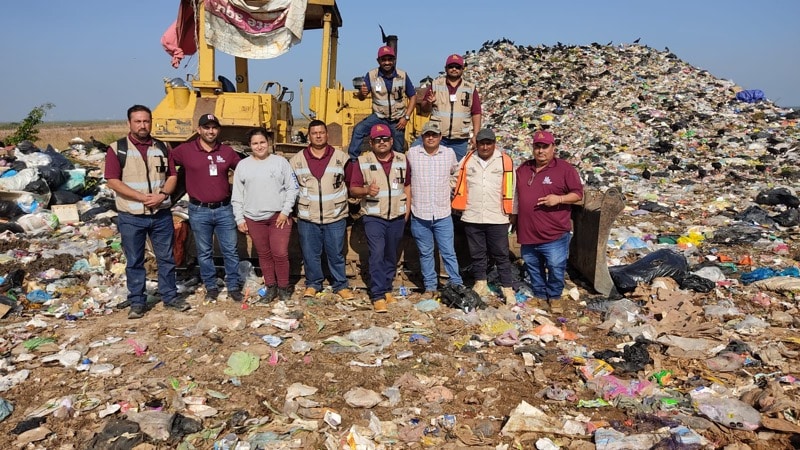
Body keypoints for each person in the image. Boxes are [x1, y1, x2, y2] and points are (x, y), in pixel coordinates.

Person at [105, 104, 190, 319]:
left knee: (166, 258)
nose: (143, 126)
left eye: (146, 121)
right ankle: (137, 302)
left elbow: (172, 176)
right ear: (129, 123)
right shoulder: (118, 149)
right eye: (138, 121)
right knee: (135, 260)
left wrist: (162, 195)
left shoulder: (161, 148)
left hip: (160, 214)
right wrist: (142, 198)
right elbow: (113, 181)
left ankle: (170, 297)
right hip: (132, 216)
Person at [170, 114, 243, 302]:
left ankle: (234, 285)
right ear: (199, 130)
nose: (211, 131)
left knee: (230, 250)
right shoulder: (185, 151)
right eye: (207, 127)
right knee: (204, 252)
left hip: (224, 209)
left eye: (214, 128)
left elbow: (244, 170)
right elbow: (165, 162)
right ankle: (211, 286)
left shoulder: (226, 152)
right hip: (199, 210)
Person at [511, 130, 583, 314]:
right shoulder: (524, 169)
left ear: (553, 148)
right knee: (533, 267)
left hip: (554, 233)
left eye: (545, 147)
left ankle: (555, 296)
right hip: (528, 231)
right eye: (537, 147)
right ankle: (540, 295)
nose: (541, 151)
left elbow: (578, 194)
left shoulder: (565, 169)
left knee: (555, 267)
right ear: (533, 148)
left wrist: (558, 199)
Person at [346, 124, 410, 312]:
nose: (382, 143)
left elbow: (407, 185)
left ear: (391, 141)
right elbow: (354, 189)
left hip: (397, 215)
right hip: (374, 216)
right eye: (377, 140)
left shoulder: (402, 160)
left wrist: (407, 209)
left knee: (391, 254)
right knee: (377, 253)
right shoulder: (363, 161)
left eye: (385, 139)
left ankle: (387, 287)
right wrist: (366, 190)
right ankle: (378, 295)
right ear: (372, 143)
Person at [290, 120, 355, 301]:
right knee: (311, 254)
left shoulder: (341, 158)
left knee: (336, 253)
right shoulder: (296, 160)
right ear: (308, 136)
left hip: (334, 215)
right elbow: (291, 188)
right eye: (314, 133)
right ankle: (313, 284)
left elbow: (350, 183)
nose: (318, 136)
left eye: (321, 132)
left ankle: (340, 285)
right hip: (307, 216)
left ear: (327, 134)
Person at [232, 127, 299, 303]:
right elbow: (237, 195)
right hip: (254, 218)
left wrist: (285, 212)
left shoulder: (280, 162)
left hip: (278, 217)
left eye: (262, 142)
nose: (259, 146)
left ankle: (283, 287)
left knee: (280, 252)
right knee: (264, 254)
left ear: (268, 143)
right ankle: (271, 287)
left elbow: (292, 188)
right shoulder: (243, 165)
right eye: (255, 143)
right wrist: (240, 218)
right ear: (249, 146)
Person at [451, 128, 516, 305]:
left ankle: (507, 288)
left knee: (501, 254)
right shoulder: (468, 160)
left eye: (488, 143)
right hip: (472, 214)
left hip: (497, 216)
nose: (485, 147)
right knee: (477, 253)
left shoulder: (505, 161)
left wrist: (512, 214)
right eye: (482, 143)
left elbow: (513, 188)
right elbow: (455, 181)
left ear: (494, 144)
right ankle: (480, 282)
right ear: (476, 144)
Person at [406, 121, 463, 297]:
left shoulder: (449, 154)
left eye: (434, 135)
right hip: (420, 213)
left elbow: (457, 172)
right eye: (427, 135)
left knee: (448, 252)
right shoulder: (412, 154)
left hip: (442, 213)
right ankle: (430, 287)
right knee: (425, 253)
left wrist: (451, 187)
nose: (431, 138)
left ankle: (456, 285)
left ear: (440, 137)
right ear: (422, 137)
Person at [347, 45, 417, 159]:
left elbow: (413, 96)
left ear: (394, 60)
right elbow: (361, 97)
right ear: (378, 61)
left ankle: (398, 170)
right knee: (358, 130)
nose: (387, 62)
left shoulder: (402, 75)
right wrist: (362, 93)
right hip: (378, 116)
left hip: (397, 119)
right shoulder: (371, 75)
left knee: (398, 149)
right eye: (383, 60)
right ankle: (353, 161)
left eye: (390, 59)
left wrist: (406, 117)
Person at [419, 53, 481, 161]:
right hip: (438, 137)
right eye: (451, 67)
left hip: (460, 140)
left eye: (457, 67)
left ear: (462, 69)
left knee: (456, 171)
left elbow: (476, 112)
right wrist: (429, 103)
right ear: (446, 68)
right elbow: (424, 109)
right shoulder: (435, 85)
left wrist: (476, 135)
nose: (454, 69)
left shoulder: (470, 88)